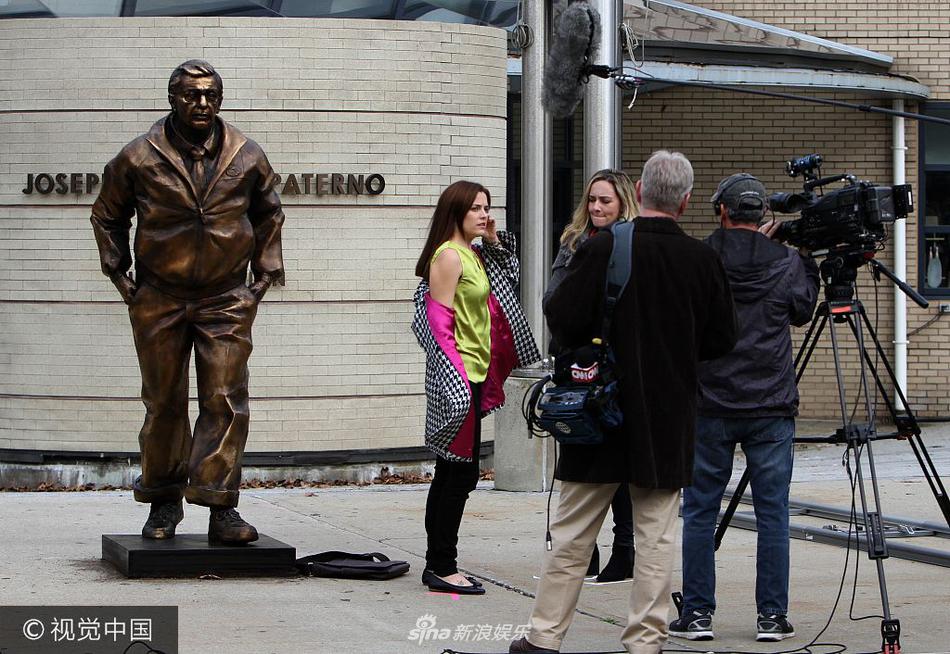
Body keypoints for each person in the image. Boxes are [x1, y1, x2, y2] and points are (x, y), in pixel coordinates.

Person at [511, 151, 737, 654]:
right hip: (666, 418)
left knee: (572, 535)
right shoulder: (702, 259)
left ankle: (544, 638)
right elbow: (723, 340)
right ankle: (644, 642)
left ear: (639, 188)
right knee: (656, 539)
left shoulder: (607, 246)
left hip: (600, 414)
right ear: (685, 199)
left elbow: (561, 315)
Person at [90, 60, 284, 544]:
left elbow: (269, 214)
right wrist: (120, 275)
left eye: (211, 95)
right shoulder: (138, 156)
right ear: (172, 98)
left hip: (225, 299)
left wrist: (262, 277)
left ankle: (220, 506)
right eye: (192, 95)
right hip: (159, 297)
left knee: (226, 401)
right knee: (163, 405)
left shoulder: (247, 154)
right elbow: (106, 214)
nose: (202, 104)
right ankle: (162, 501)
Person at [669, 173, 819, 642]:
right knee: (773, 513)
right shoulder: (786, 261)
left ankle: (697, 616)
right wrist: (806, 262)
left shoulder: (700, 258)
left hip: (709, 401)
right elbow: (802, 309)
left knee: (699, 511)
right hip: (770, 403)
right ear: (761, 216)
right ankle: (772, 618)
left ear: (722, 211)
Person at [412, 181, 540, 595]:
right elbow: (439, 324)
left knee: (453, 472)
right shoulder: (448, 257)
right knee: (457, 474)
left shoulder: (475, 252)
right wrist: (456, 382)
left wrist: (492, 239)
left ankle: (440, 563)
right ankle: (442, 567)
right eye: (476, 210)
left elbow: (510, 279)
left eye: (487, 208)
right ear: (456, 213)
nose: (485, 215)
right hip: (460, 376)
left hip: (476, 373)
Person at [543, 168, 639, 583]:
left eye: (606, 201)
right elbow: (554, 299)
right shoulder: (573, 243)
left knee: (619, 462)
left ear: (623, 204)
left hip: (618, 368)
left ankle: (625, 548)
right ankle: (586, 551)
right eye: (593, 200)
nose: (597, 208)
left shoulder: (635, 244)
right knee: (578, 455)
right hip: (576, 363)